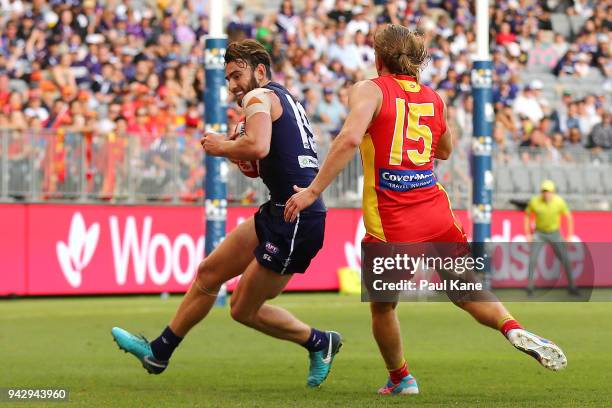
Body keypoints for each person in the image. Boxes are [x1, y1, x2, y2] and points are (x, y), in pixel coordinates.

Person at [285, 24, 567, 396]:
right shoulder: (433, 98)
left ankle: (402, 379)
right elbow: (445, 149)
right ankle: (511, 326)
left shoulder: (370, 89)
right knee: (466, 291)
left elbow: (351, 138)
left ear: (379, 56)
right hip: (436, 212)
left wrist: (313, 191)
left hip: (392, 223)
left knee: (384, 309)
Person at [111, 39, 342, 388]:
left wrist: (223, 146)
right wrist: (243, 152)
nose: (233, 85)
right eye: (228, 78)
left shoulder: (258, 97)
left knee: (242, 309)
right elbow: (266, 150)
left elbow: (259, 146)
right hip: (281, 208)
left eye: (237, 75)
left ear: (260, 71)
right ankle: (159, 351)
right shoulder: (283, 97)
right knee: (208, 272)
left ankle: (320, 342)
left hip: (296, 217)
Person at [525, 180, 578, 296]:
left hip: (555, 233)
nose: (546, 194)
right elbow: (527, 216)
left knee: (565, 259)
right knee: (532, 259)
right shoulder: (534, 201)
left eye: (549, 191)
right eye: (544, 191)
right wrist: (528, 233)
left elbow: (569, 218)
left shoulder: (559, 202)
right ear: (541, 192)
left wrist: (569, 235)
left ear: (553, 192)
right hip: (539, 233)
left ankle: (572, 286)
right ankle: (529, 286)